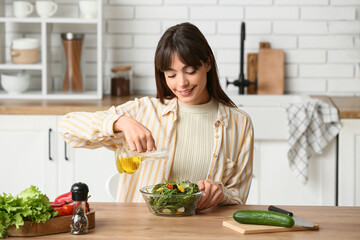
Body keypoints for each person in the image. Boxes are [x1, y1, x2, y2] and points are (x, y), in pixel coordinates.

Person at [58, 22, 254, 212]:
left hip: (204, 230)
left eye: (190, 71)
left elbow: (239, 196)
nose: (182, 83)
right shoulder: (145, 111)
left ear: (208, 63)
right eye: (171, 75)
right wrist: (120, 122)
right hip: (142, 230)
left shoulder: (239, 124)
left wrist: (221, 193)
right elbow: (67, 127)